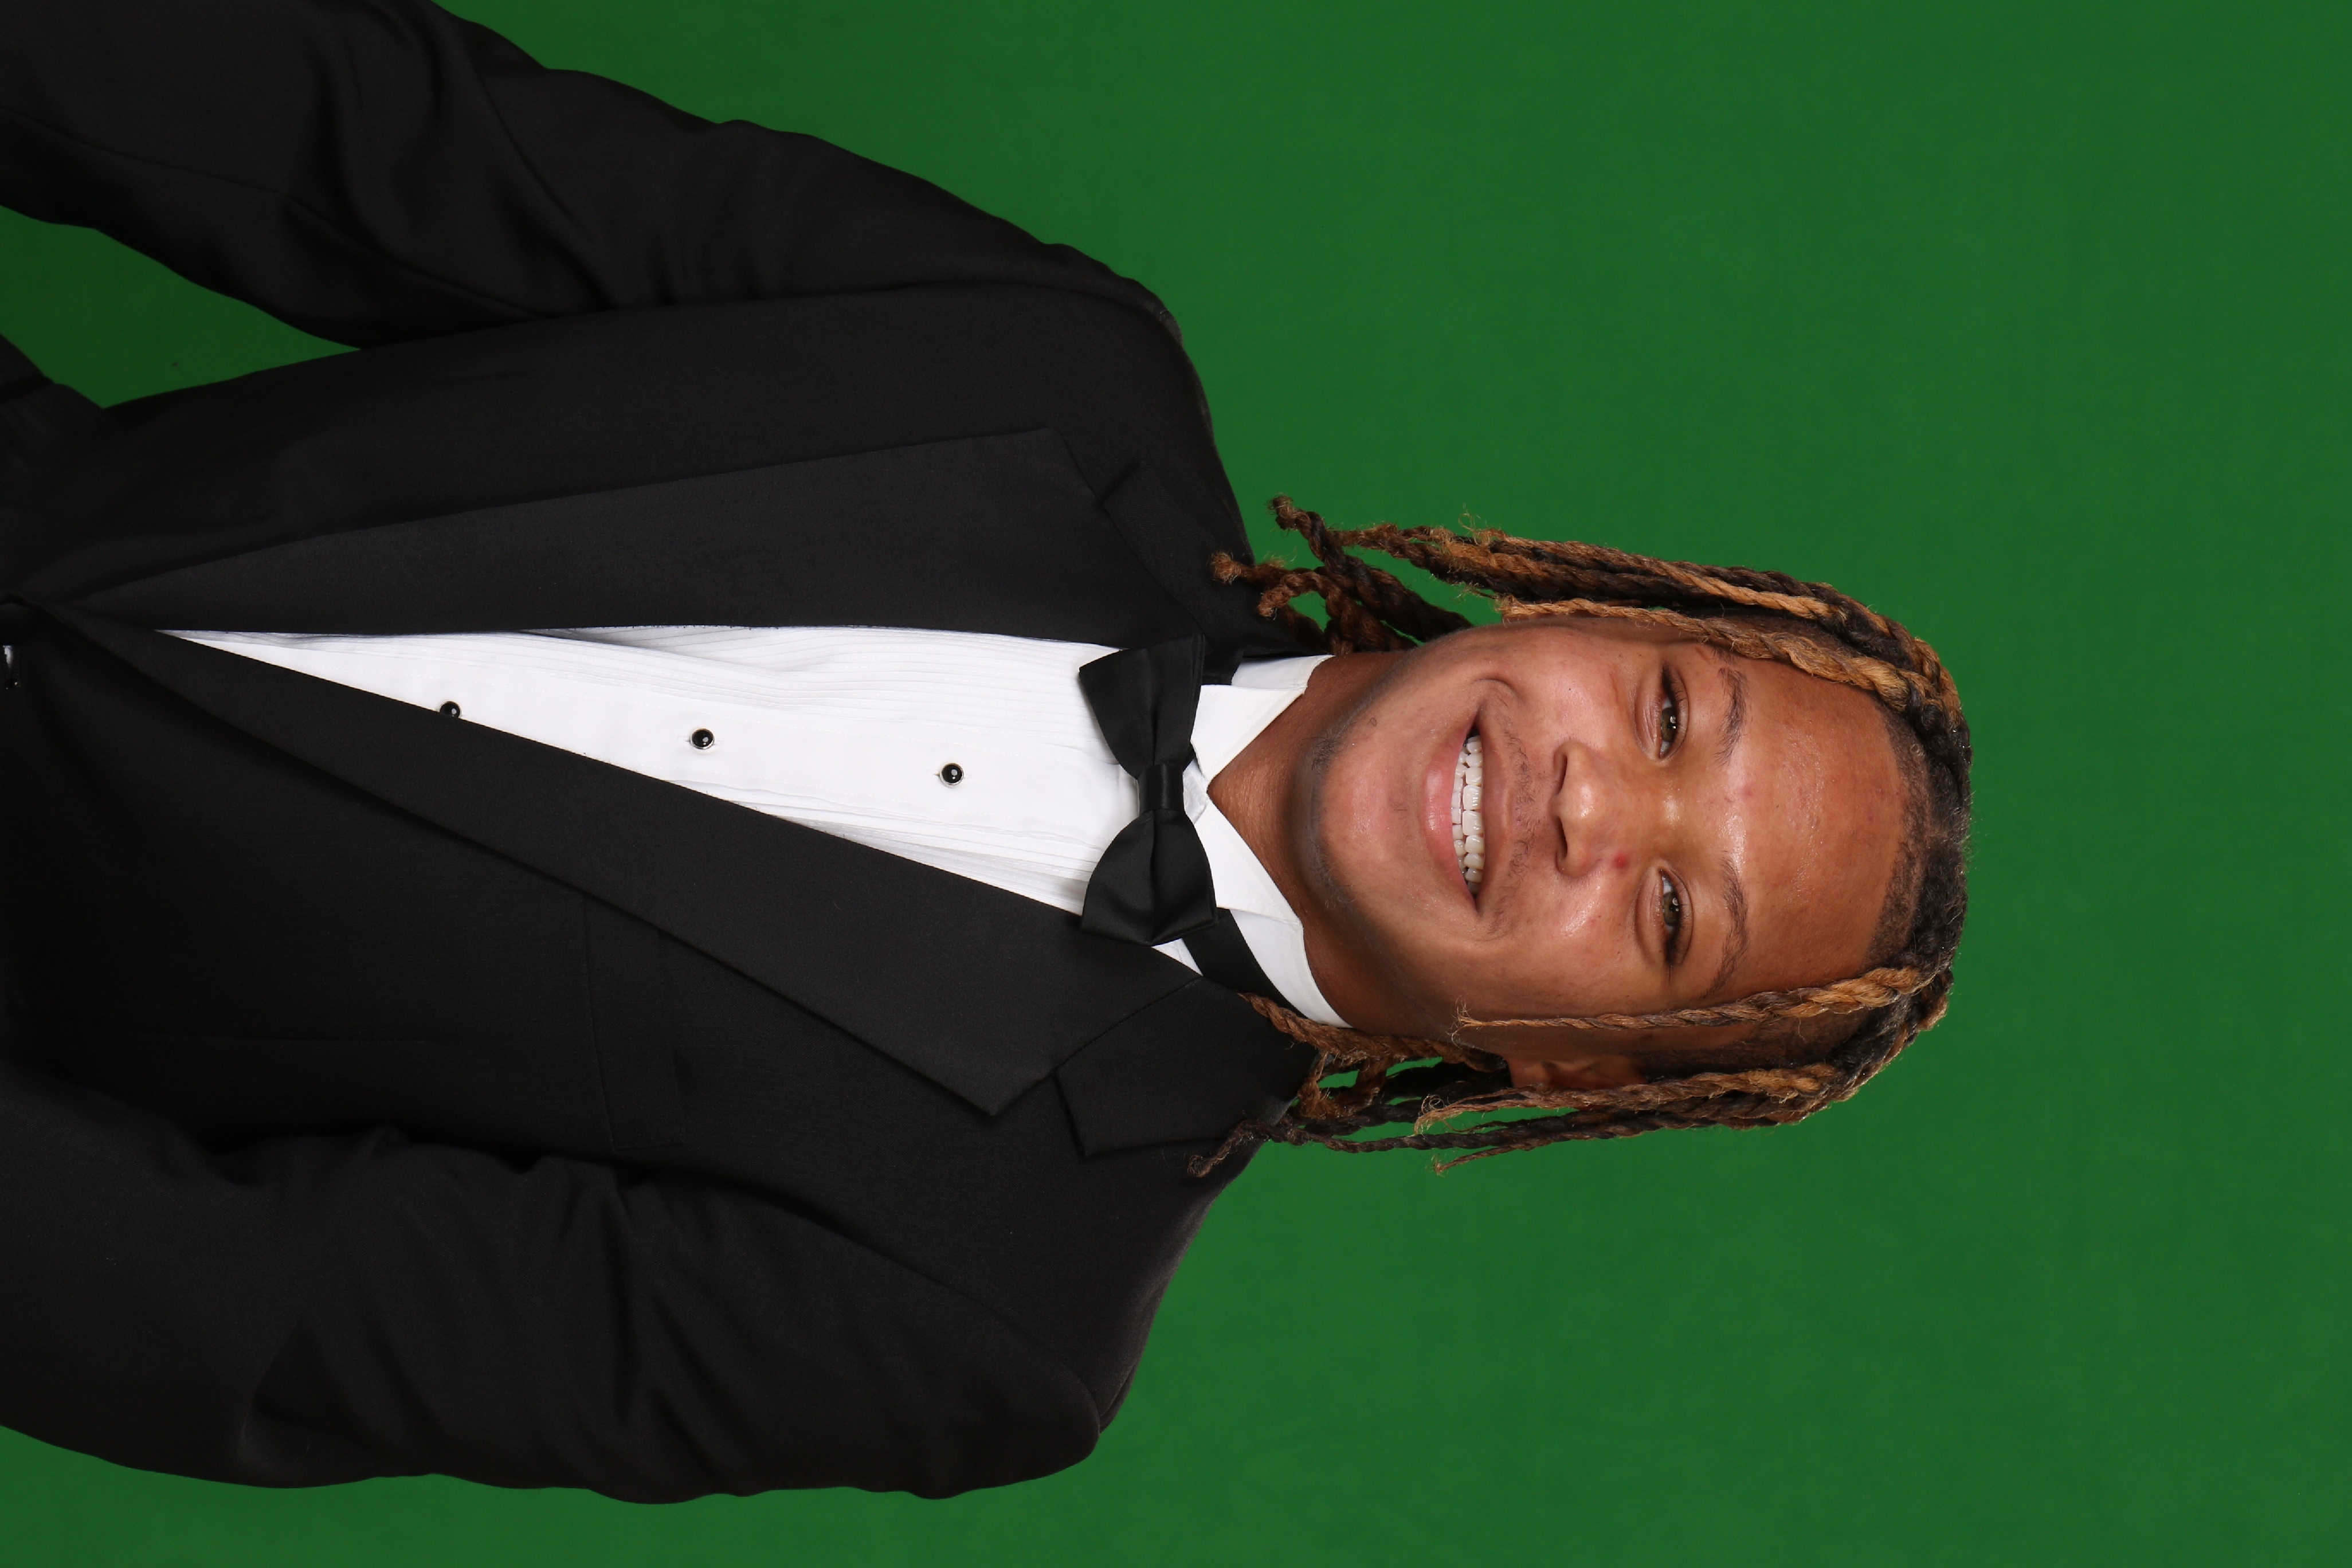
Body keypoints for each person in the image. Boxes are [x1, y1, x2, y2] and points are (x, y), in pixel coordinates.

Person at [0, 0, 1970, 1505]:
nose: (1590, 801)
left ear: (1570, 1064)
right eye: (1668, 715)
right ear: (1582, 614)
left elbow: (234, 1312)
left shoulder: (993, 1318)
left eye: (1668, 915)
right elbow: (372, 145)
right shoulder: (1050, 359)